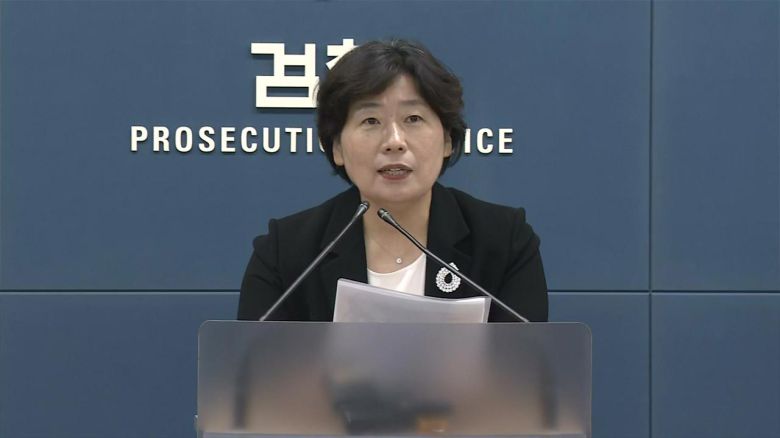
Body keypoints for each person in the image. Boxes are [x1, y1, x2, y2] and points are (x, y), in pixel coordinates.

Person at [238, 39, 547, 322]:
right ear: (337, 147)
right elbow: (256, 362)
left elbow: (526, 361)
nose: (394, 141)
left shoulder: (503, 242)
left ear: (447, 140)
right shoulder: (286, 253)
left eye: (413, 119)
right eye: (370, 121)